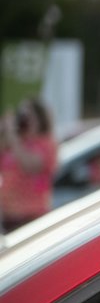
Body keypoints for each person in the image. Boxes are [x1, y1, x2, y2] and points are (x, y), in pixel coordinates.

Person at [0, 98, 58, 233]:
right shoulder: (15, 142)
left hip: (32, 216)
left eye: (27, 116)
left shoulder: (46, 143)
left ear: (39, 118)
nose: (23, 119)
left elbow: (29, 166)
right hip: (9, 216)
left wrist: (13, 136)